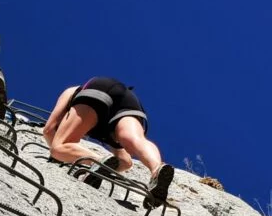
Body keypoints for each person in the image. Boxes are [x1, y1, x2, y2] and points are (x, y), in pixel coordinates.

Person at [41, 78, 175, 206]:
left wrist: (60, 156)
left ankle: (98, 162)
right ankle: (157, 169)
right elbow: (125, 162)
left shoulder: (70, 91)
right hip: (127, 98)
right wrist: (107, 164)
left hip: (96, 89)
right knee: (136, 140)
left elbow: (49, 129)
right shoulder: (107, 133)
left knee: (59, 147)